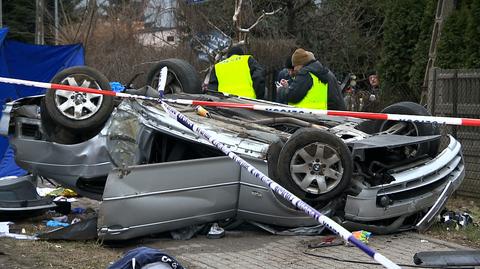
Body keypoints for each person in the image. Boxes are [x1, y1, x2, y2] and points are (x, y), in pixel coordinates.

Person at [277, 48, 346, 110]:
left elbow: (293, 96)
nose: (294, 69)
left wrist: (280, 90)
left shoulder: (305, 73)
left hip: (305, 118)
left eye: (295, 66)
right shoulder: (321, 73)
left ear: (300, 64)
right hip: (322, 116)